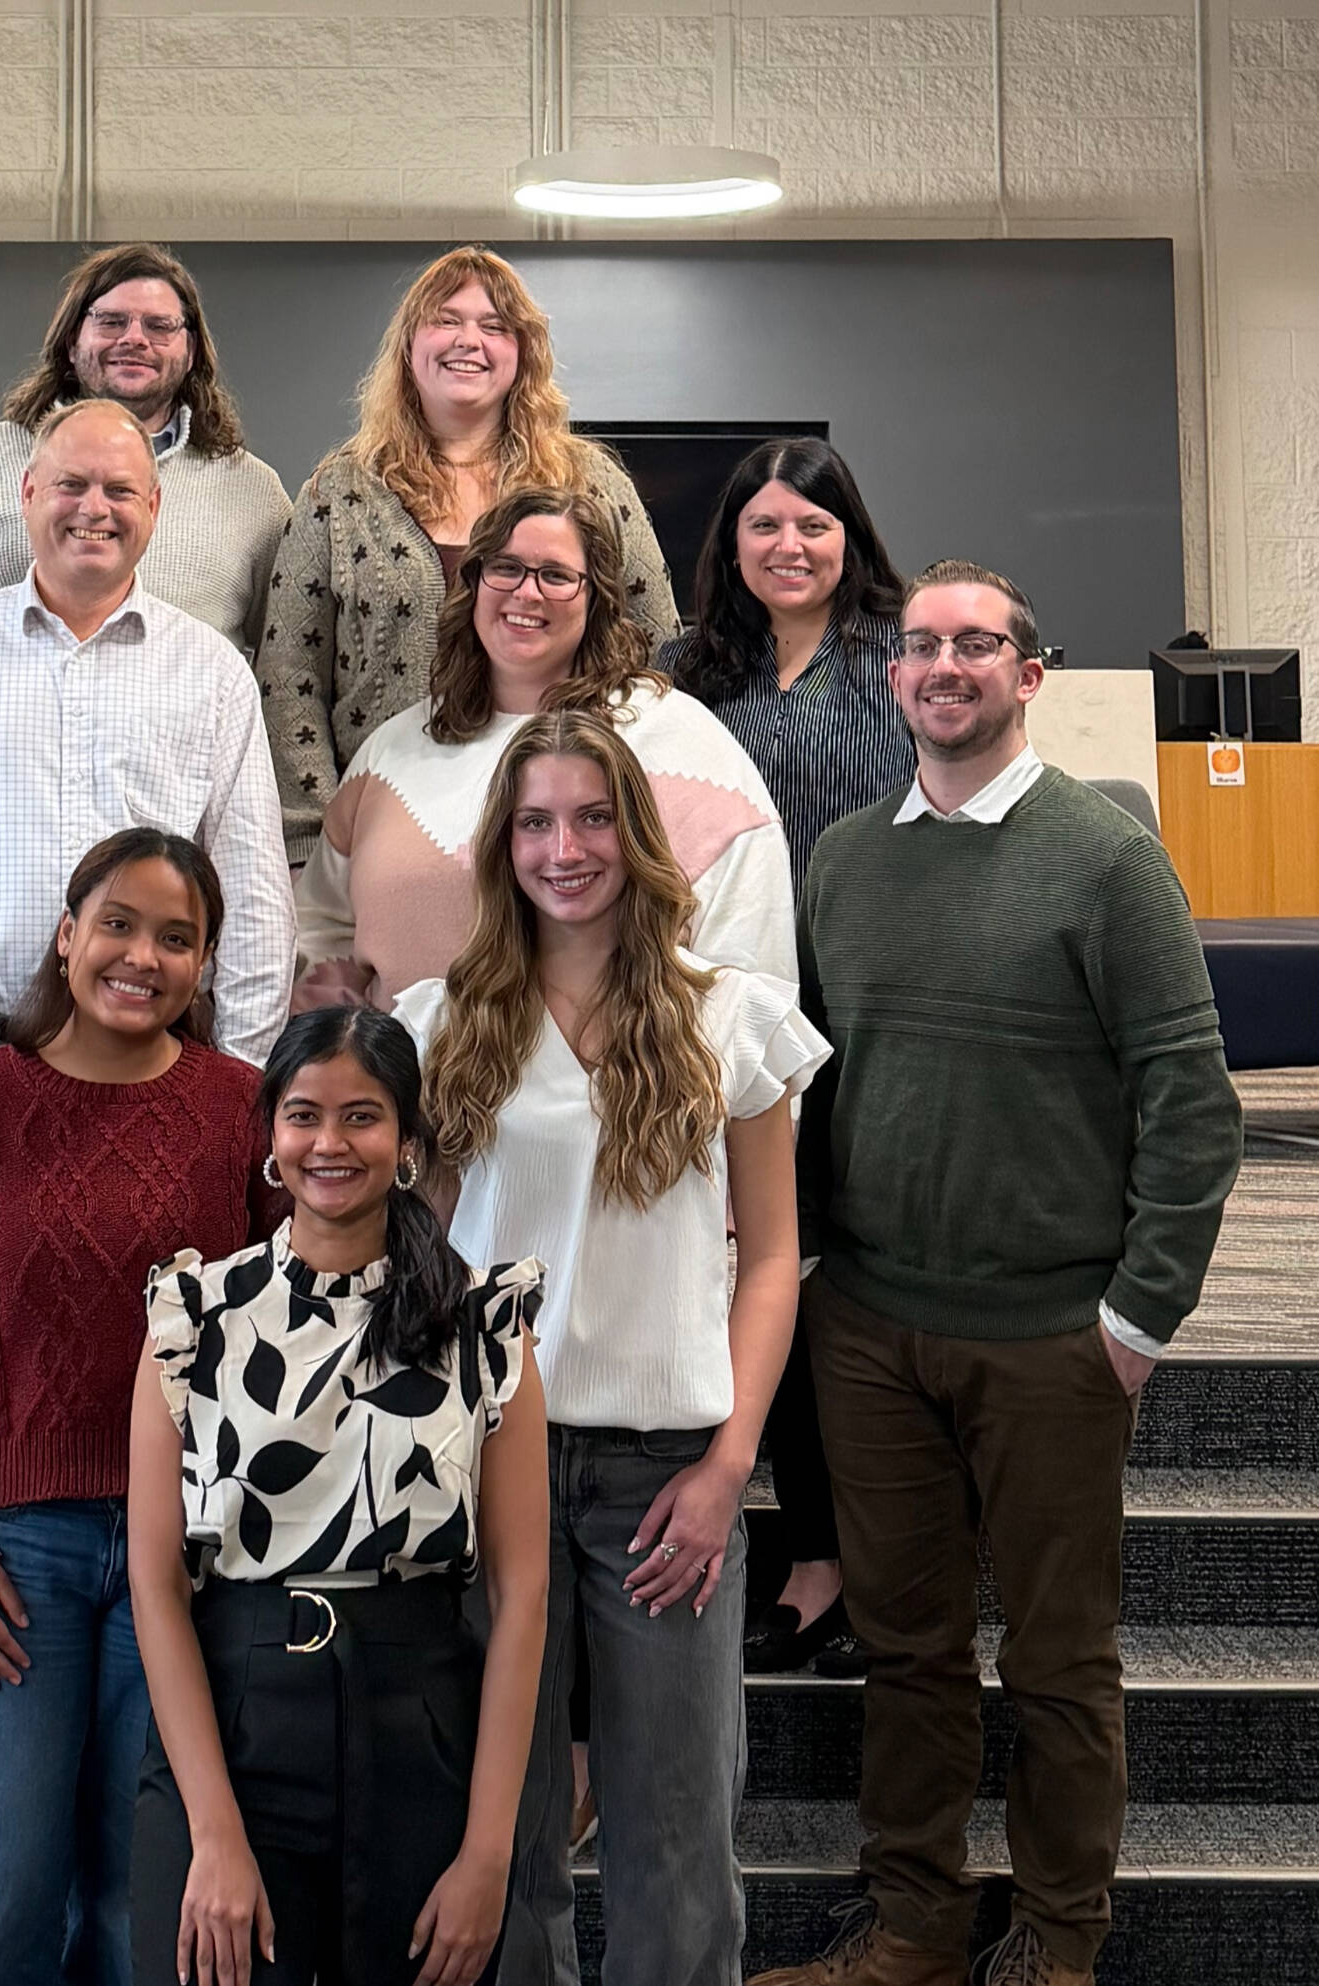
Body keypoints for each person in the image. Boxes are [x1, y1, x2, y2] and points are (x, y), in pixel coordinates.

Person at [0, 395, 296, 1872]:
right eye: (72, 485)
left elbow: (256, 902)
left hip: (166, 1088)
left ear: (158, 514)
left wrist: (242, 1099)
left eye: (125, 492)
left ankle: (150, 1741)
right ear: (22, 497)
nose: (97, 509)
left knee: (167, 1402)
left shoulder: (206, 672)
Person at [751, 563, 1244, 1986]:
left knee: (1057, 1663)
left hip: (1051, 1336)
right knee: (905, 1652)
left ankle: (1056, 1943)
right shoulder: (844, 856)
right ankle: (910, 1927)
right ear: (890, 678)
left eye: (976, 643)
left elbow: (1187, 1096)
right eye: (919, 645)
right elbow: (819, 1077)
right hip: (872, 1327)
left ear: (1029, 673)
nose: (943, 665)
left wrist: (1139, 1315)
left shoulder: (1104, 854)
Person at [398, 707, 828, 1986]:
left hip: (665, 1475)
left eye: (591, 817)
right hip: (494, 1472)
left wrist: (728, 1464)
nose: (563, 847)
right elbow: (419, 1265)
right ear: (503, 845)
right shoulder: (443, 1022)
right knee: (508, 1839)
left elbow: (767, 1261)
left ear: (635, 835)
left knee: (678, 1842)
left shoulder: (728, 1020)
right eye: (534, 822)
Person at [0, 829, 283, 1986]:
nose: (142, 957)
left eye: (178, 939)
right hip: (17, 1565)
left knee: (133, 1909)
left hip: (185, 1558)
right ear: (66, 937)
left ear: (205, 966)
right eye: (118, 924)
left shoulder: (243, 1112)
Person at [128, 1004, 550, 1986]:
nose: (330, 1142)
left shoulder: (486, 1324)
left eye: (362, 1117)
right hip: (233, 1730)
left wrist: (488, 1855)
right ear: (271, 1132)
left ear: (406, 1141)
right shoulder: (192, 1315)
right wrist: (216, 1836)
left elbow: (525, 1595)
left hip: (421, 1737)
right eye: (304, 1114)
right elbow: (154, 1586)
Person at [660, 436, 915, 1676]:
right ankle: (813, 1559)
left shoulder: (900, 657)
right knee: (782, 1287)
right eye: (764, 527)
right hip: (738, 1027)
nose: (789, 547)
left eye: (812, 527)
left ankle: (884, 1563)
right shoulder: (691, 673)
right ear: (732, 547)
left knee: (868, 1292)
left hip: (876, 1013)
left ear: (848, 537)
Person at [256, 244, 680, 868]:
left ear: (523, 352)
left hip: (567, 837)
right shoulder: (340, 493)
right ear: (409, 344)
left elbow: (656, 646)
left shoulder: (590, 484)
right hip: (386, 833)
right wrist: (320, 848)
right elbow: (287, 676)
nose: (468, 341)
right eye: (446, 320)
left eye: (494, 326)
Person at [296, 486, 793, 1012]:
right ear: (474, 584)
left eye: (556, 576)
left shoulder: (678, 738)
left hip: (623, 1086)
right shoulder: (391, 753)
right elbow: (320, 934)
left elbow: (754, 970)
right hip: (408, 1088)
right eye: (506, 568)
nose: (526, 594)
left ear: (596, 596)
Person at [0, 241, 291, 653]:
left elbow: (287, 663)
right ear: (71, 341)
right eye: (111, 321)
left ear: (191, 351)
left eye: (159, 326)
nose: (135, 339)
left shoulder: (254, 493)